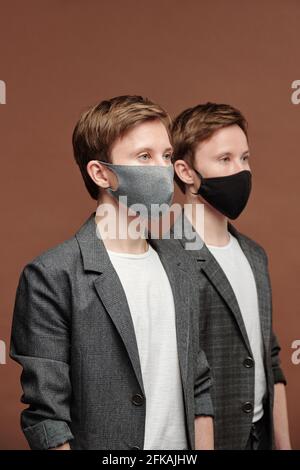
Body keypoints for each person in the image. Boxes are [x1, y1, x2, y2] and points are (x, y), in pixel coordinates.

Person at [10, 95, 214, 450]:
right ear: (101, 172)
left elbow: (199, 386)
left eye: (166, 156)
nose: (163, 169)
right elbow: (47, 417)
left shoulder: (181, 263)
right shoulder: (51, 275)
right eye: (144, 157)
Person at [171, 102, 291, 450]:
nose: (240, 171)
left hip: (259, 436)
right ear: (186, 171)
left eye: (245, 158)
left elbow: (271, 358)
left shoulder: (254, 255)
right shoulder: (166, 258)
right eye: (225, 159)